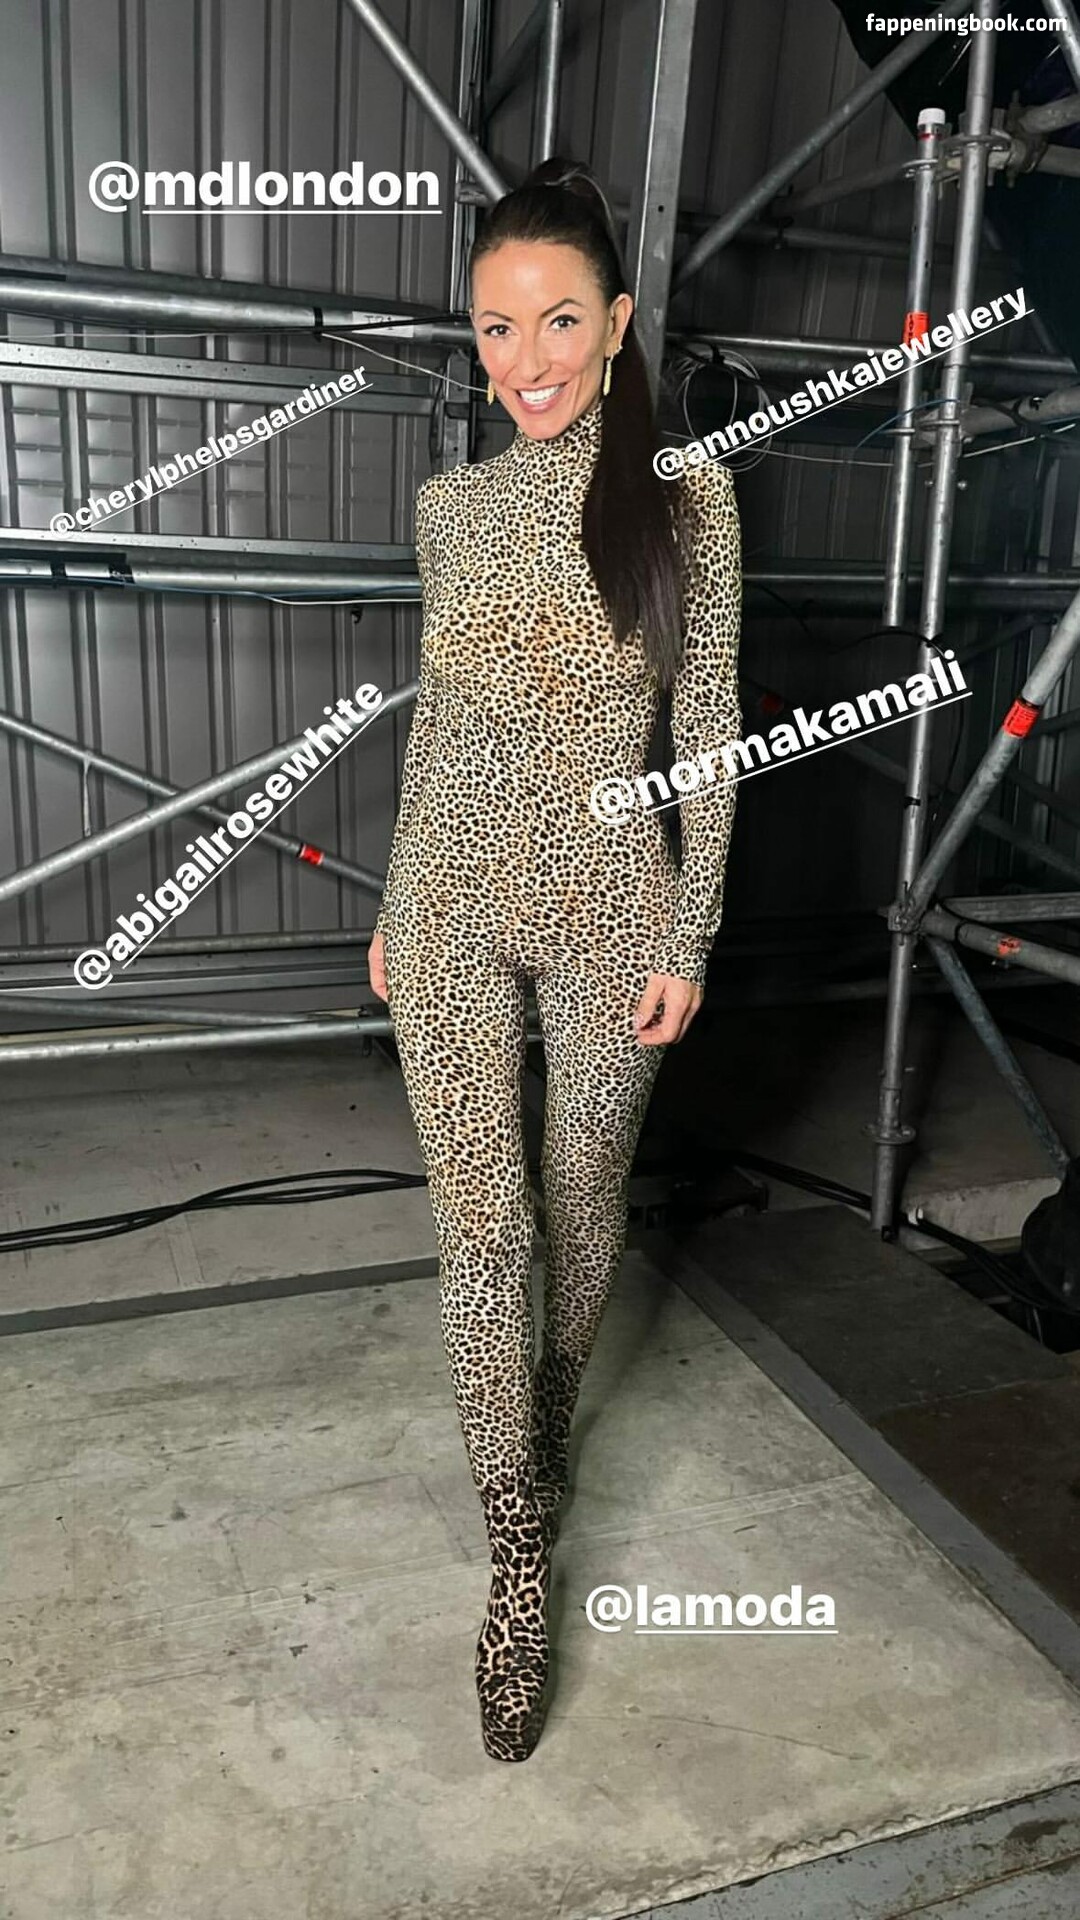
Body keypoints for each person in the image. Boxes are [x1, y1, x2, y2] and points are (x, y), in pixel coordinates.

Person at [367, 157, 743, 1762]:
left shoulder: (686, 495)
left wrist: (691, 928)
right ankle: (518, 1556)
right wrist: (394, 899)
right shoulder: (448, 511)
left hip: (610, 902)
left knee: (583, 1205)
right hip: (449, 895)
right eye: (495, 328)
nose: (525, 361)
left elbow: (708, 725)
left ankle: (550, 1423)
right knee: (484, 1232)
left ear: (619, 319)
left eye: (559, 321)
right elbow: (435, 719)